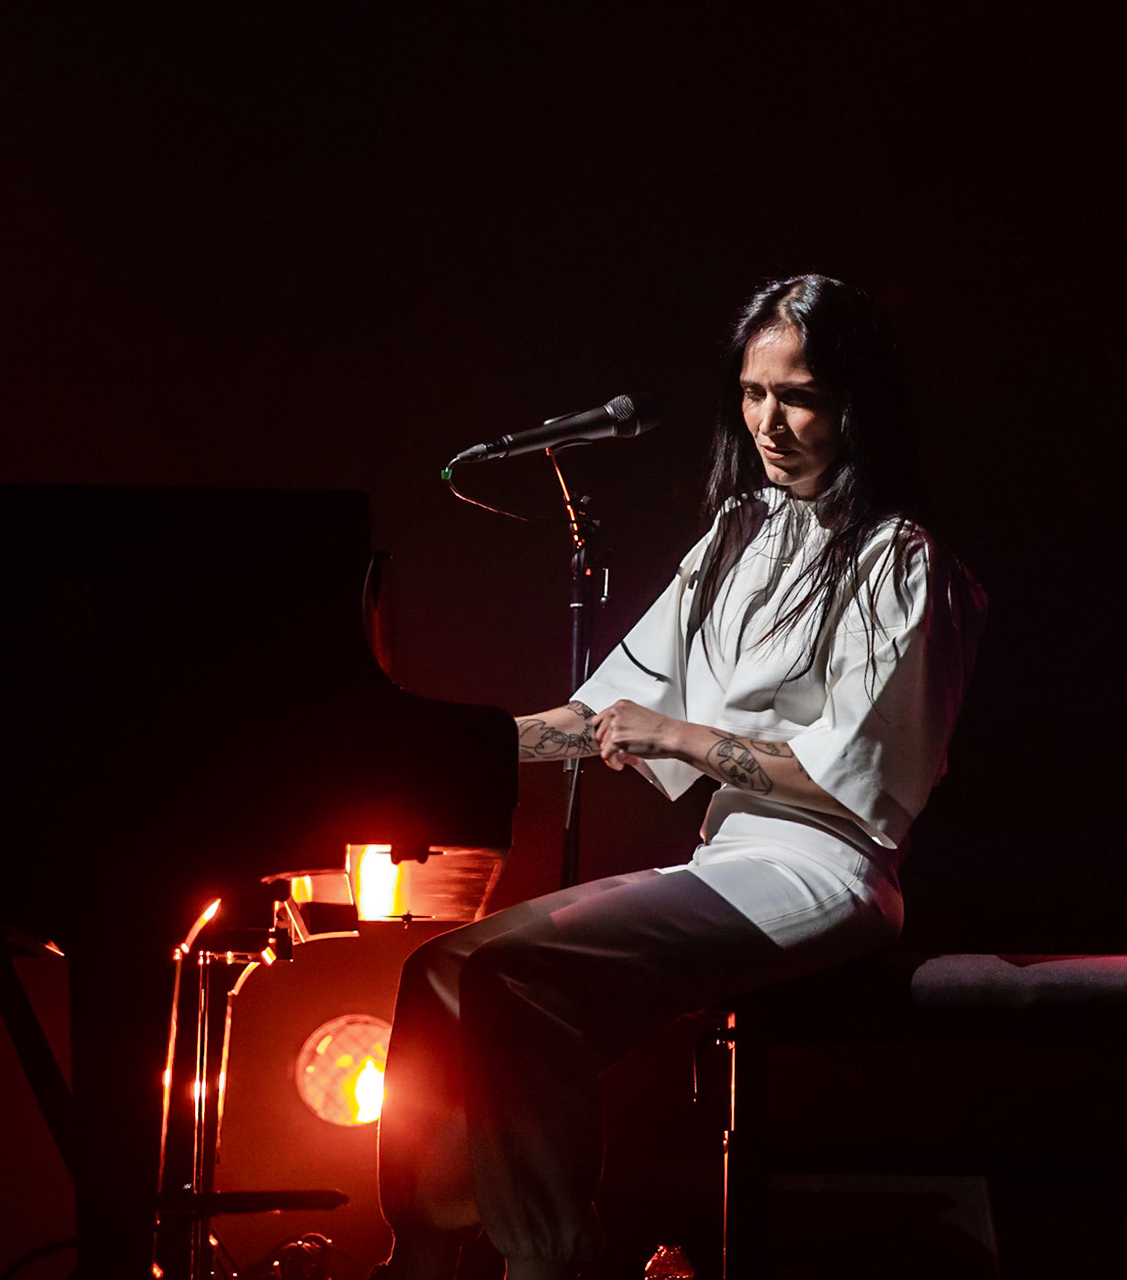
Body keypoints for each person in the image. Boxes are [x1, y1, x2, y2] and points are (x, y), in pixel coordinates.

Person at [374, 275, 986, 1280]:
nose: (770, 422)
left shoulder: (900, 559)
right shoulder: (743, 533)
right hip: (732, 854)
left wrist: (687, 739)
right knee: (437, 970)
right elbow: (602, 710)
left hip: (829, 869)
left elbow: (860, 792)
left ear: (855, 402)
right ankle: (427, 1248)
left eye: (799, 395)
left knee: (513, 979)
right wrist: (456, 744)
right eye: (752, 393)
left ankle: (548, 1259)